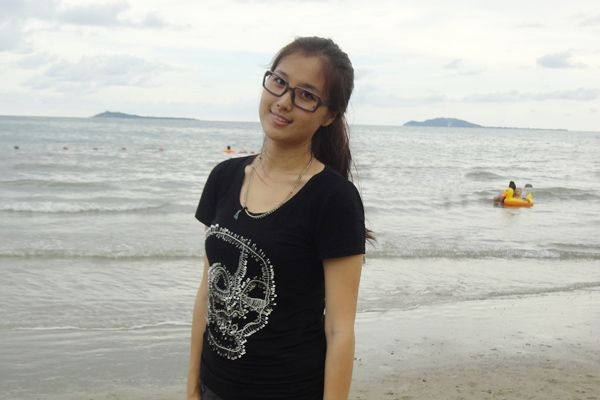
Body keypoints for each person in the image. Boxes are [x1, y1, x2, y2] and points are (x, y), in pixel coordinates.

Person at [188, 37, 370, 400]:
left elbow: (339, 329)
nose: (284, 101)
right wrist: (192, 386)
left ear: (329, 115)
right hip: (214, 387)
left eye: (306, 95)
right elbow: (207, 292)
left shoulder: (334, 199)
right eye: (280, 82)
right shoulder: (223, 177)